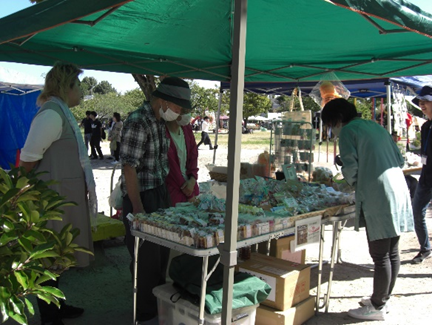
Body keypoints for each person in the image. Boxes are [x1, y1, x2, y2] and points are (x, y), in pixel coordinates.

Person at [321, 98, 413, 321]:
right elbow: (399, 159)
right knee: (392, 251)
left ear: (338, 119)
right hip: (398, 188)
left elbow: (352, 168)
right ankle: (383, 298)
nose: (331, 129)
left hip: (379, 193)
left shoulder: (348, 132)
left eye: (331, 123)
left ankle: (377, 306)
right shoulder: (374, 126)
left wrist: (349, 184)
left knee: (380, 254)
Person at [19, 62, 97, 325]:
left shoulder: (61, 112)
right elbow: (28, 160)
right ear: (66, 87)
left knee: (60, 255)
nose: (82, 92)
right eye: (79, 86)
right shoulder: (52, 114)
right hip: (53, 200)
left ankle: (57, 304)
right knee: (50, 257)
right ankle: (50, 317)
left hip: (63, 198)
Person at [120, 76, 191, 324]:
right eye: (178, 108)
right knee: (145, 260)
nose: (180, 113)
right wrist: (138, 208)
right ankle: (145, 313)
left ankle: (158, 307)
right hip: (142, 197)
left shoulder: (159, 121)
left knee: (161, 256)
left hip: (159, 194)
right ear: (163, 101)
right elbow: (129, 167)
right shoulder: (138, 121)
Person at [410, 86, 432, 264]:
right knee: (417, 211)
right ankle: (425, 248)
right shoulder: (425, 126)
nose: (422, 105)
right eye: (420, 102)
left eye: (425, 102)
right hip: (425, 177)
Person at [165, 113, 199, 205]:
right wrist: (188, 192)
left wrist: (193, 178)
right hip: (174, 190)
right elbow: (171, 167)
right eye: (184, 110)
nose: (187, 114)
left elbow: (193, 154)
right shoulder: (163, 132)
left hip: (191, 186)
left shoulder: (186, 128)